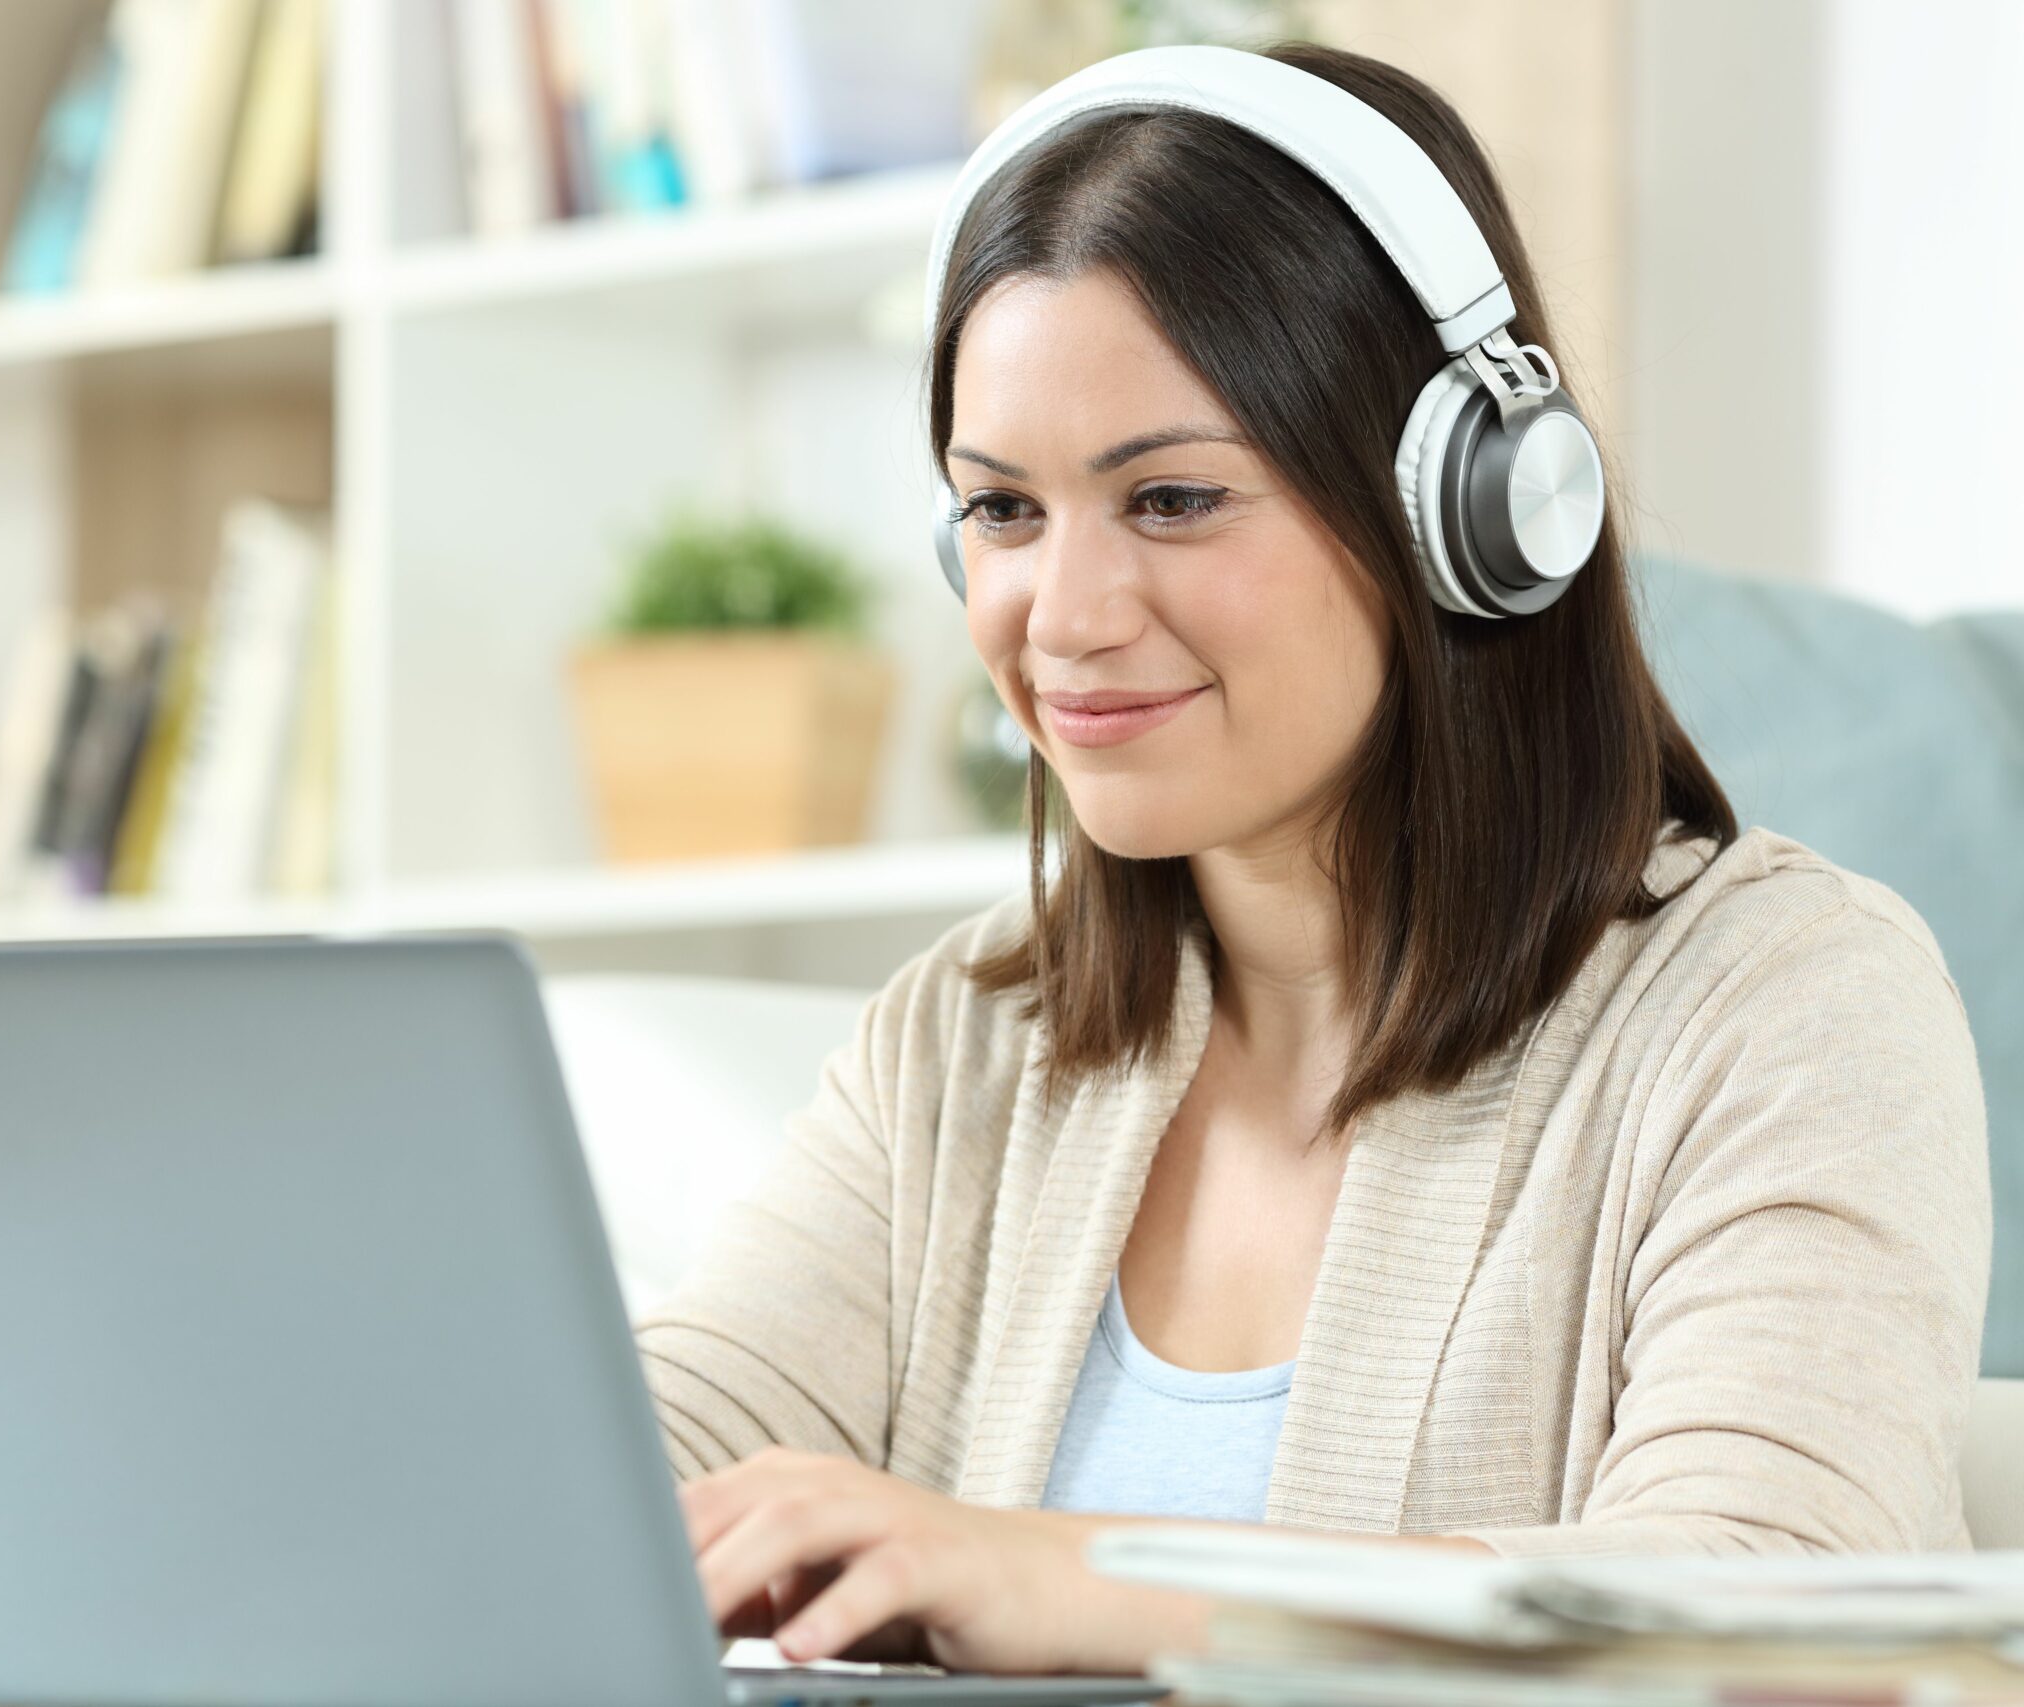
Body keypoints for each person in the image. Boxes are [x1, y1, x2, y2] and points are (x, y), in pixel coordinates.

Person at [632, 38, 1992, 1679]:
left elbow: (1773, 1607)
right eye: (1001, 513)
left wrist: (1081, 1582)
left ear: (1476, 511)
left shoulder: (1789, 1004)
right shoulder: (967, 1042)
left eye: (1175, 499)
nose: (1061, 619)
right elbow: (635, 1468)